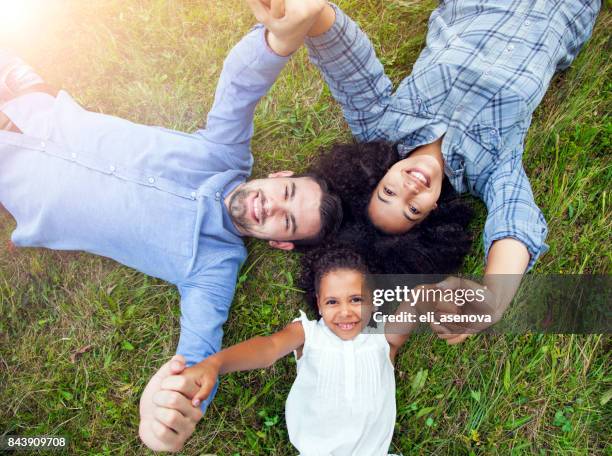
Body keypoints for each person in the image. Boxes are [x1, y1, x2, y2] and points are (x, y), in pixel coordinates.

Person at [0, 0, 342, 451]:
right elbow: (239, 87)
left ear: (279, 242)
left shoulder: (213, 267)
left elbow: (200, 353)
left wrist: (168, 407)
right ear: (278, 177)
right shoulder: (226, 155)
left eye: (288, 222)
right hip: (28, 97)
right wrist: (279, 39)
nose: (272, 206)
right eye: (288, 193)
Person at [293, 0, 601, 342]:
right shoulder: (490, 168)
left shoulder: (386, 125)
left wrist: (311, 14)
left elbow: (349, 68)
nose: (410, 189)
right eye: (412, 209)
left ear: (379, 175)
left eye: (389, 192)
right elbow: (515, 219)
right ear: (432, 212)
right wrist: (493, 300)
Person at [181, 247, 417, 456]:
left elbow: (419, 302)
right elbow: (269, 348)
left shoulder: (383, 338)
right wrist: (217, 363)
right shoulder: (309, 333)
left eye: (356, 299)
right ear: (319, 305)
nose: (345, 312)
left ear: (374, 301)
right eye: (332, 302)